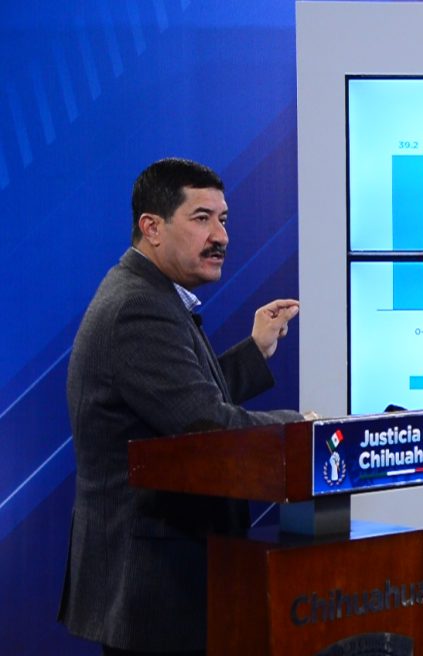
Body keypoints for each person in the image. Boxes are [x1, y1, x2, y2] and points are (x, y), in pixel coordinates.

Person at [58, 158, 314, 656]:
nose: (221, 236)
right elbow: (204, 425)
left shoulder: (146, 294)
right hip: (155, 590)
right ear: (152, 227)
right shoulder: (138, 307)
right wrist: (305, 428)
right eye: (202, 218)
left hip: (163, 586)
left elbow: (176, 400)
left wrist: (254, 351)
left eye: (224, 219)